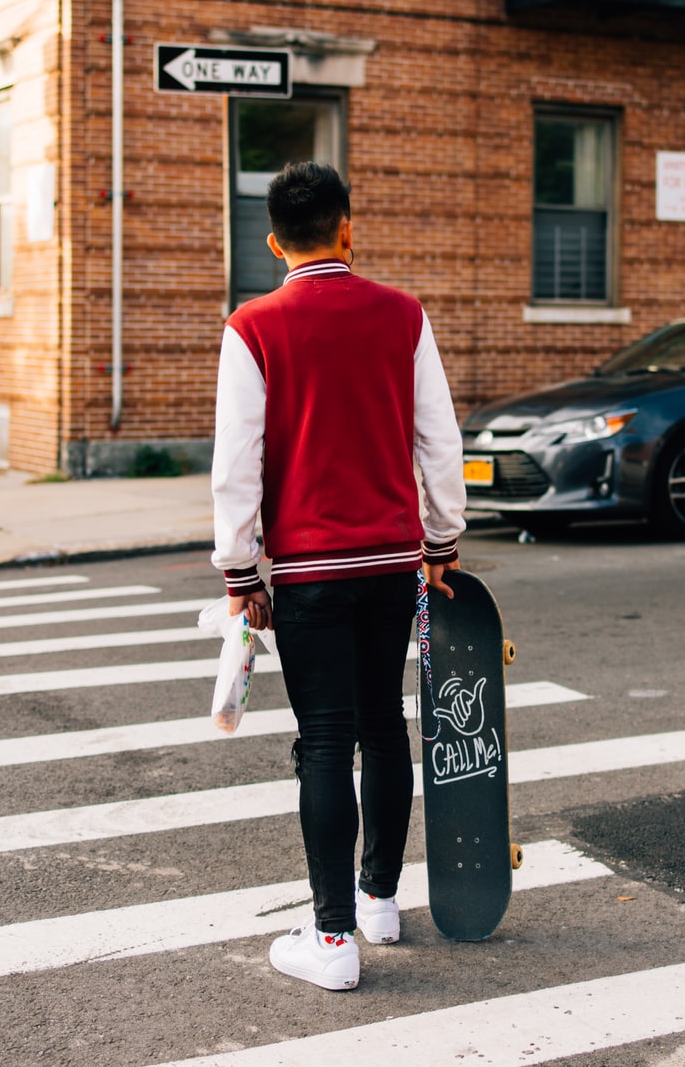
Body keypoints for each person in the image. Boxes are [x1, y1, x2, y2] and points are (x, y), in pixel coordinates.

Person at [211, 160, 466, 991]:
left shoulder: (252, 328)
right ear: (348, 228)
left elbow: (237, 466)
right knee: (385, 727)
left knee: (324, 742)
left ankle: (330, 941)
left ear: (275, 240)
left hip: (313, 572)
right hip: (394, 564)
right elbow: (440, 439)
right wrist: (441, 542)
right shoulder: (404, 315)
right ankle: (380, 900)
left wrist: (239, 569)